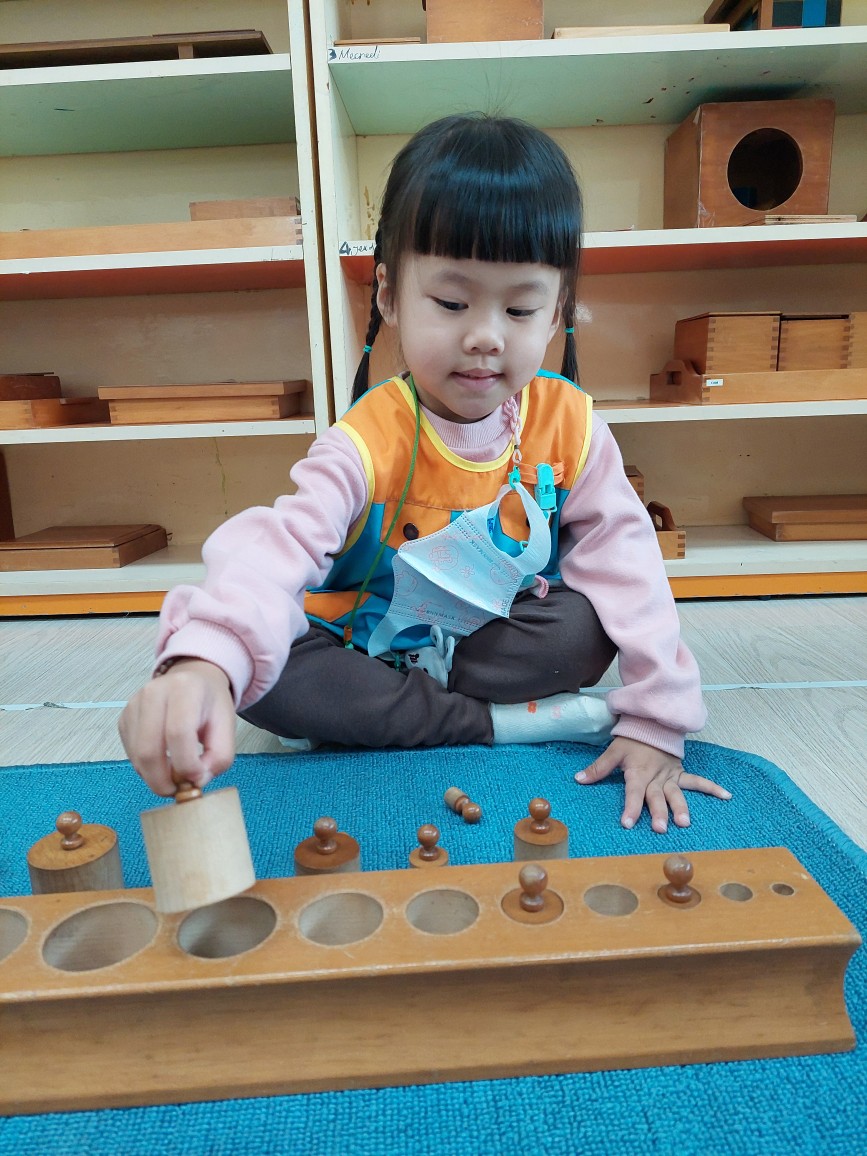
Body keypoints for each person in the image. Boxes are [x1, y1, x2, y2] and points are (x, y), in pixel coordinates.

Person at [119, 113, 731, 834]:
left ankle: (412, 714)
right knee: (270, 677)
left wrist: (657, 720)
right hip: (361, 646)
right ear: (387, 295)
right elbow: (275, 551)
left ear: (557, 312)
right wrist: (204, 661)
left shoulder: (573, 427)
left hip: (484, 643)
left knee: (584, 626)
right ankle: (495, 725)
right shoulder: (364, 441)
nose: (484, 336)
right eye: (450, 303)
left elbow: (629, 568)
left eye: (520, 308)